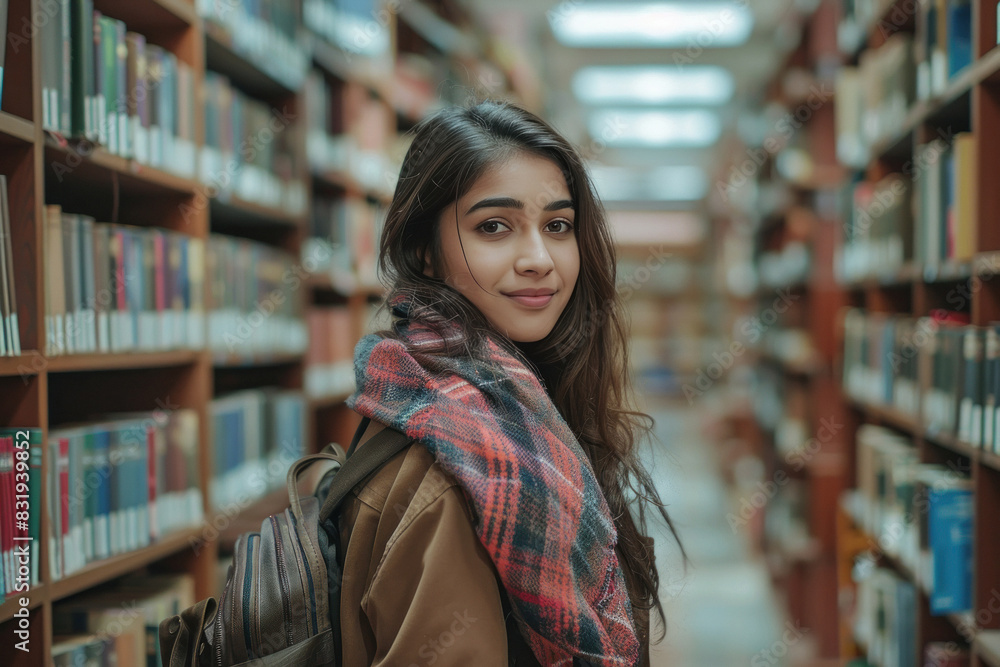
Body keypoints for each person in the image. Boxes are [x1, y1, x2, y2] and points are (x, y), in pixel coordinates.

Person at [333, 99, 686, 666]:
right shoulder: (455, 458)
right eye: (494, 226)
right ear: (425, 250)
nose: (539, 258)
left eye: (558, 225)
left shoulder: (531, 407)